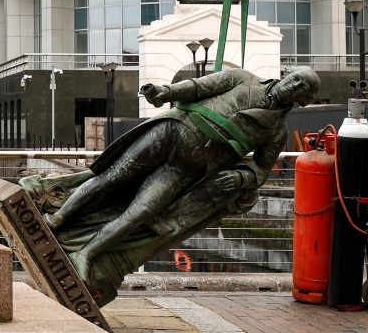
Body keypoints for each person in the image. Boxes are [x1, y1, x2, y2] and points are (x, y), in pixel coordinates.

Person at [37, 66, 320, 288]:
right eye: (294, 79)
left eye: (301, 88)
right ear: (286, 76)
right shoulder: (242, 78)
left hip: (188, 169)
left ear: (303, 100)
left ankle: (85, 254)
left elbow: (260, 170)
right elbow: (198, 88)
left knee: (140, 213)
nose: (293, 86)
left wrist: (241, 178)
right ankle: (56, 219)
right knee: (113, 178)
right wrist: (165, 91)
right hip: (171, 132)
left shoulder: (276, 133)